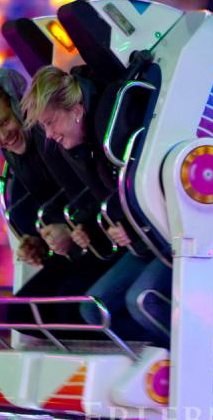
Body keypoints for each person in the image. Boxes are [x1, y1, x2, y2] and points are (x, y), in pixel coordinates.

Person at [21, 64, 172, 343]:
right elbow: (106, 198)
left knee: (141, 299)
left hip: (166, 236)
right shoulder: (85, 147)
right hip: (141, 240)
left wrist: (130, 226)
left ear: (76, 110)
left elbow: (148, 186)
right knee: (93, 309)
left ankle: (180, 360)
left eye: (51, 122)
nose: (49, 135)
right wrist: (88, 227)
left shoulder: (110, 135)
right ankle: (148, 357)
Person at [0, 69, 108, 298]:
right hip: (78, 241)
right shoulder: (14, 155)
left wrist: (70, 228)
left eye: (5, 122)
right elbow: (48, 201)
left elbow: (93, 190)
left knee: (63, 306)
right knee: (21, 308)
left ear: (18, 109)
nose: (4, 136)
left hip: (100, 237)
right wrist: (36, 241)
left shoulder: (49, 137)